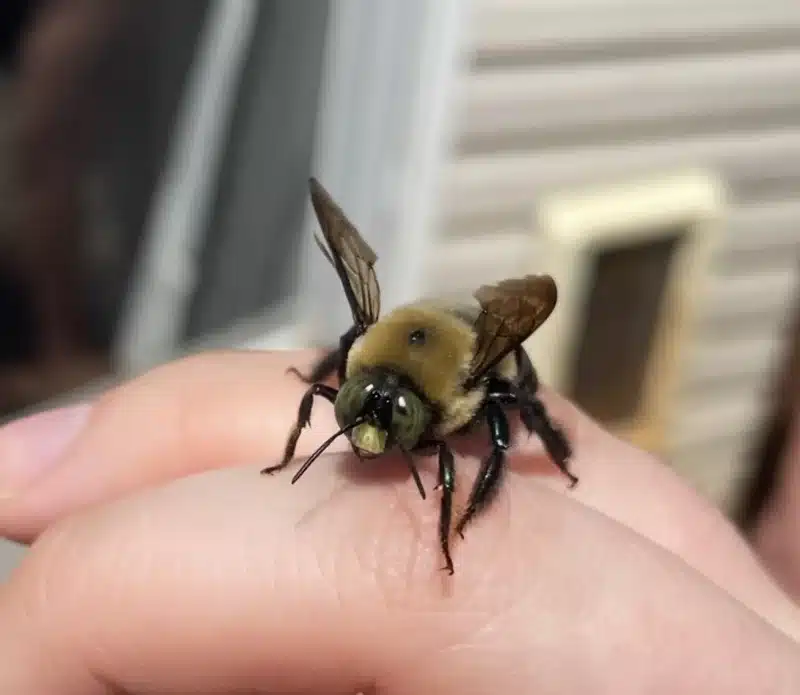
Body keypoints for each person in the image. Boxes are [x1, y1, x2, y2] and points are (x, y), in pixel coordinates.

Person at [0, 348, 797, 693]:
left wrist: (452, 534)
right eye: (352, 414)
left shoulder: (452, 416)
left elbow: (492, 415)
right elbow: (342, 375)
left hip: (456, 360)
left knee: (506, 413)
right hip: (407, 346)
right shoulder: (356, 385)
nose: (371, 440)